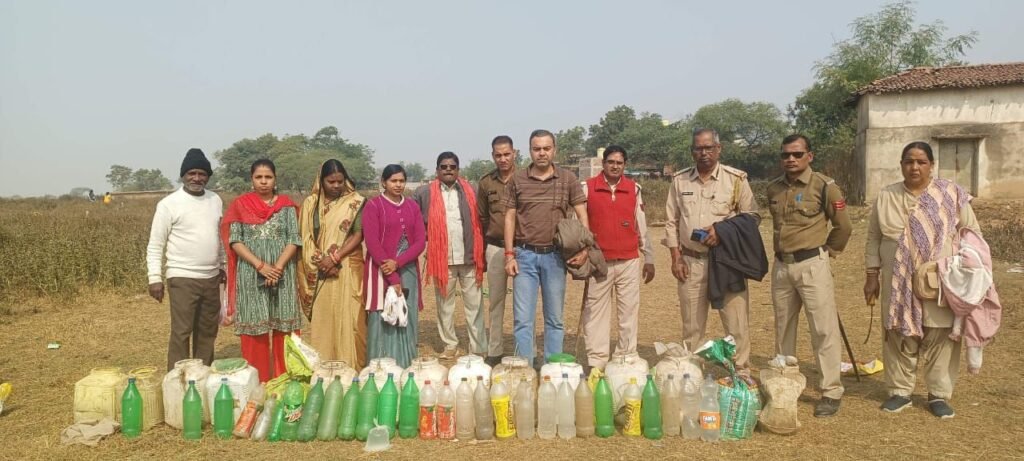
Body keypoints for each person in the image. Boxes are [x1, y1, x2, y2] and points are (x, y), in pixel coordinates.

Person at [864, 141, 979, 419]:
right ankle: (900, 392)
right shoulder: (887, 195)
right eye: (908, 161)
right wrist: (871, 275)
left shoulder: (950, 194)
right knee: (899, 332)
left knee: (940, 333)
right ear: (901, 164)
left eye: (921, 162)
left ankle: (938, 395)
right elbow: (874, 238)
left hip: (940, 279)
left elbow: (971, 232)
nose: (914, 167)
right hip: (896, 278)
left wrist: (967, 271)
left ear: (931, 165)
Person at [766, 134, 853, 417]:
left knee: (823, 329)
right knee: (784, 328)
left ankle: (830, 391)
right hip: (782, 267)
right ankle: (785, 384)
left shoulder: (825, 187)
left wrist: (829, 251)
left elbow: (843, 226)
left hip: (812, 263)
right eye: (785, 155)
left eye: (797, 154)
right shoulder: (773, 189)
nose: (790, 159)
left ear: (809, 156)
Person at [664, 128, 758, 375]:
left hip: (727, 262)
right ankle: (692, 373)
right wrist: (676, 258)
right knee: (692, 325)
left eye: (708, 148)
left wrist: (722, 231)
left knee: (736, 323)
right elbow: (671, 222)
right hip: (691, 262)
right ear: (692, 151)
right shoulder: (680, 180)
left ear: (719, 149)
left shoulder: (736, 180)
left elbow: (752, 217)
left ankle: (741, 373)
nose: (703, 153)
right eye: (698, 148)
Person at [503, 129, 589, 368]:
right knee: (522, 320)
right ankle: (524, 369)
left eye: (546, 148)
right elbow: (509, 218)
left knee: (555, 319)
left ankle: (553, 367)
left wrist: (584, 248)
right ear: (529, 151)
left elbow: (582, 213)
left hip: (555, 257)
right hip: (524, 256)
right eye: (536, 148)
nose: (541, 153)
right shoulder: (517, 180)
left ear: (554, 150)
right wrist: (509, 254)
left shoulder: (567, 179)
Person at [222, 159, 303, 382]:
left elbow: (294, 239)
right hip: (251, 273)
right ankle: (257, 384)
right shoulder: (240, 205)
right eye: (259, 177)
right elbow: (235, 241)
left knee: (283, 330)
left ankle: (285, 382)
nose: (264, 182)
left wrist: (276, 268)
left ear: (275, 179)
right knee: (254, 332)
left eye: (268, 177)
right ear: (252, 180)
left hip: (283, 274)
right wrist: (261, 266)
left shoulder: (286, 206)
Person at [146, 148, 224, 371]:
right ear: (183, 175)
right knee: (182, 331)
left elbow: (217, 236)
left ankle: (202, 375)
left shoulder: (215, 200)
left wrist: (223, 266)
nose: (197, 178)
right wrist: (154, 278)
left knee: (208, 330)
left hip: (211, 277)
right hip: (182, 277)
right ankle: (177, 379)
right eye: (192, 173)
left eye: (202, 174)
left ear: (208, 177)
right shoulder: (169, 204)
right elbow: (155, 244)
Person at [581, 145, 655, 370]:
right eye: (611, 162)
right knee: (595, 314)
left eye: (619, 163)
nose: (615, 166)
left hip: (628, 261)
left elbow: (640, 224)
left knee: (628, 313)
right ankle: (597, 363)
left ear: (625, 165)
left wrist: (648, 257)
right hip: (598, 262)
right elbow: (579, 224)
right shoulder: (587, 188)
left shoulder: (633, 189)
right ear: (603, 164)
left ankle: (626, 358)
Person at [413, 152, 486, 359]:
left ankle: (478, 346)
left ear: (458, 170)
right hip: (441, 259)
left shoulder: (472, 190)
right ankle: (450, 344)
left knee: (475, 305)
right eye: (443, 166)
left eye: (452, 166)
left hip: (470, 256)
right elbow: (415, 222)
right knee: (445, 306)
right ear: (437, 170)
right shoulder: (424, 193)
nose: (448, 170)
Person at [298, 159, 367, 367]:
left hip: (348, 267)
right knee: (325, 322)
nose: (336, 186)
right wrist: (322, 262)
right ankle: (325, 370)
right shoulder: (310, 204)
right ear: (321, 181)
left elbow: (358, 234)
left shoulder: (355, 202)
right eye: (331, 182)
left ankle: (352, 369)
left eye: (340, 181)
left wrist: (335, 258)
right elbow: (306, 237)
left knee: (352, 321)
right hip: (321, 271)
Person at [362, 164, 426, 368]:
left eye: (401, 181)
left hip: (407, 267)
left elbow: (420, 242)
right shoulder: (373, 206)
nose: (398, 185)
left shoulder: (412, 206)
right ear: (383, 182)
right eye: (393, 181)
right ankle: (380, 365)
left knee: (406, 311)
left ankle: (406, 362)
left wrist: (398, 262)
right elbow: (372, 242)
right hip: (381, 269)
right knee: (384, 313)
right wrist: (392, 275)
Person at [477, 135, 517, 366]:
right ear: (493, 156)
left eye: (507, 154)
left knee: (524, 304)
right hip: (495, 247)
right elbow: (482, 218)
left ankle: (525, 349)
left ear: (515, 153)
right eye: (498, 155)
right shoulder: (486, 183)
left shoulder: (525, 178)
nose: (503, 159)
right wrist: (482, 252)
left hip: (522, 249)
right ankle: (495, 350)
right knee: (495, 301)